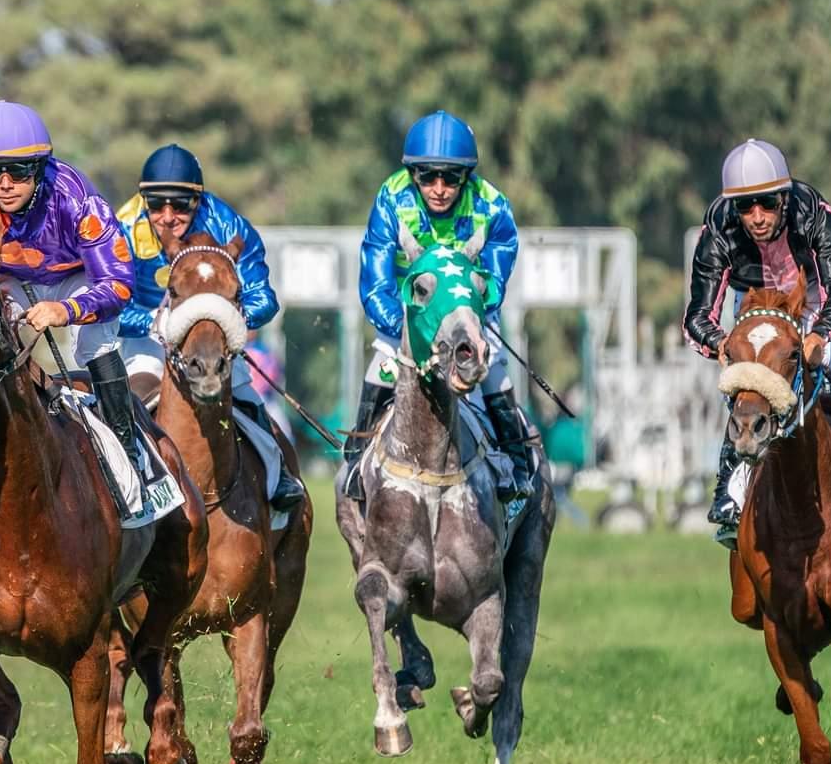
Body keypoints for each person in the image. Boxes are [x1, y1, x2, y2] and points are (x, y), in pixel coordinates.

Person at [685, 137, 831, 543]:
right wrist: (720, 344)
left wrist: (819, 336)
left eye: (767, 203)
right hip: (757, 302)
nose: (756, 216)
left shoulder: (819, 219)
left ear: (785, 196)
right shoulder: (718, 231)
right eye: (745, 206)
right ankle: (730, 495)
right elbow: (697, 316)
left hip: (818, 299)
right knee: (747, 396)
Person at [0, 100, 139, 513]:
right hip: (10, 278)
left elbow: (119, 284)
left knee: (94, 346)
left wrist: (66, 311)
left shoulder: (77, 200)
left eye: (17, 171)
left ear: (39, 166)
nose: (4, 183)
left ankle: (127, 451)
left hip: (79, 276)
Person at [341, 110, 537, 500]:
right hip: (407, 320)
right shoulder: (392, 199)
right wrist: (404, 327)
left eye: (452, 177)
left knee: (494, 371)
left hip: (467, 320)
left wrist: (480, 308)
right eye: (428, 175)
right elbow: (376, 279)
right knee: (380, 369)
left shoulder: (492, 206)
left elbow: (496, 275)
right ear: (413, 173)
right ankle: (355, 463)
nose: (440, 187)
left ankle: (516, 467)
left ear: (467, 176)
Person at [113, 143, 305, 512]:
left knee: (247, 397)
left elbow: (264, 298)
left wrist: (224, 323)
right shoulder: (122, 229)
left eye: (180, 204)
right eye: (156, 204)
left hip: (210, 339)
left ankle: (278, 473)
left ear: (198, 201)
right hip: (147, 339)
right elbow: (109, 305)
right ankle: (120, 489)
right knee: (131, 403)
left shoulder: (228, 225)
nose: (167, 216)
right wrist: (156, 323)